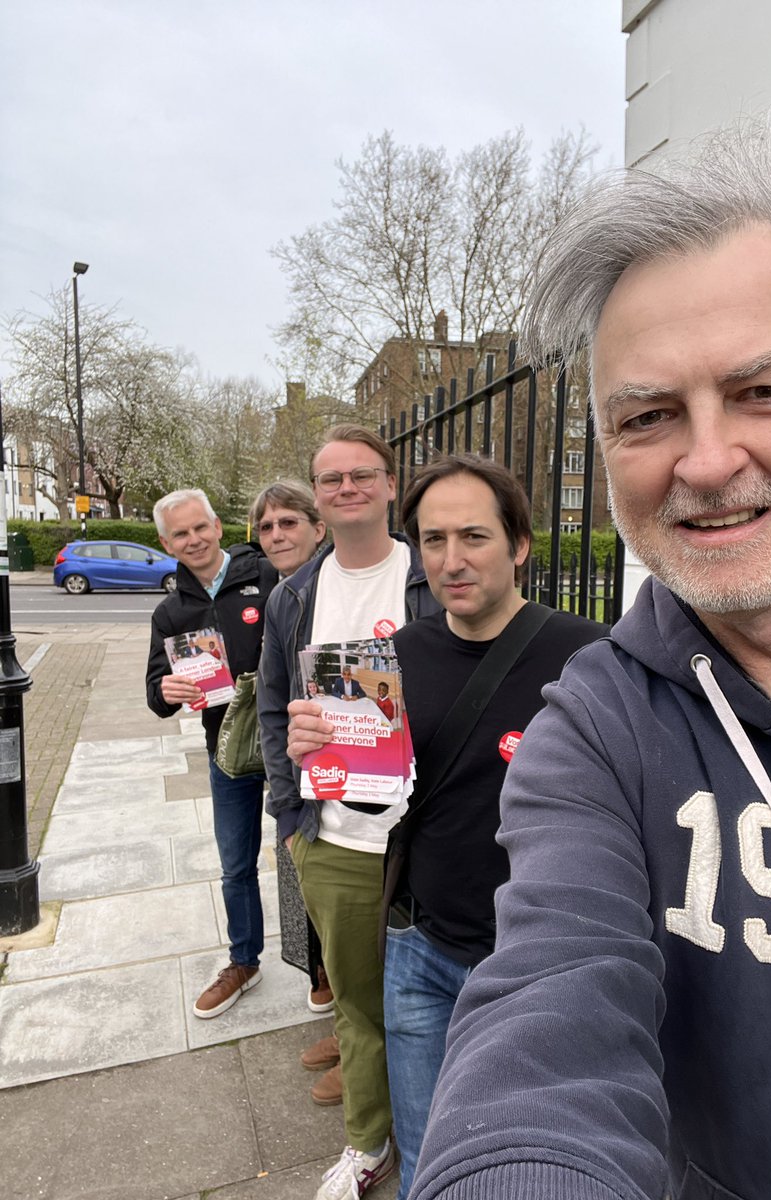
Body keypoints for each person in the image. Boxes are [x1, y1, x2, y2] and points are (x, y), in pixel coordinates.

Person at [409, 113, 771, 1200]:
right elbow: (550, 1010)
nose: (709, 459)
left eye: (767, 392)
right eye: (649, 415)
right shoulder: (594, 730)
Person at [286, 454, 606, 1199]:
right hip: (420, 951)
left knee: (537, 1163)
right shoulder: (394, 658)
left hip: (537, 961)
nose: (452, 562)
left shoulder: (589, 655)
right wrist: (322, 759)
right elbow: (375, 801)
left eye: (474, 537)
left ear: (519, 544)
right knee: (430, 1158)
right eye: (433, 541)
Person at [257, 424, 441, 1200]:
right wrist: (288, 808)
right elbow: (271, 707)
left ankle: (443, 1141)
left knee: (437, 1003)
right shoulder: (294, 594)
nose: (346, 488)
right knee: (361, 1010)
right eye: (330, 479)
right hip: (332, 834)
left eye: (362, 474)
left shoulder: (435, 574)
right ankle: (370, 1146)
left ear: (392, 485)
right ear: (318, 496)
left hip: (428, 830)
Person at [146, 488, 277, 1018]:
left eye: (200, 527)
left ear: (218, 525)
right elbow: (155, 691)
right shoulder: (170, 611)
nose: (194, 539)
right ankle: (244, 961)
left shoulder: (267, 576)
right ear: (166, 542)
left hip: (290, 740)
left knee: (302, 857)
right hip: (226, 748)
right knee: (235, 864)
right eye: (181, 534)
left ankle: (319, 964)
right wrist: (168, 690)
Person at [248, 480, 333, 1015]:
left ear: (318, 527)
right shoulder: (278, 595)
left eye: (288, 523)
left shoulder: (333, 588)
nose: (277, 535)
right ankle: (324, 984)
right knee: (305, 891)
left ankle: (343, 1005)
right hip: (296, 779)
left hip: (356, 775)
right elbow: (273, 701)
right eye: (266, 527)